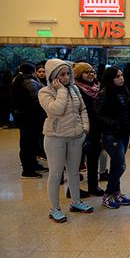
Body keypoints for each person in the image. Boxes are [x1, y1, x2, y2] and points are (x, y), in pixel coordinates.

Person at [39, 59, 94, 223]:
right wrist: (61, 90)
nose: (66, 77)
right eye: (61, 74)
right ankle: (54, 208)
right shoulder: (45, 92)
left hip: (76, 136)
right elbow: (56, 109)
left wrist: (85, 128)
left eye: (68, 73)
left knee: (74, 172)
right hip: (55, 138)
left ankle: (76, 202)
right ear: (53, 76)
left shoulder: (75, 89)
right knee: (56, 174)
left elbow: (82, 109)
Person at [96, 67, 130, 209]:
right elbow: (98, 114)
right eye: (117, 76)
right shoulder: (105, 93)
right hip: (111, 134)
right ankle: (108, 194)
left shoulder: (124, 91)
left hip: (123, 133)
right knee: (120, 166)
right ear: (110, 78)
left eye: (122, 75)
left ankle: (116, 193)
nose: (121, 78)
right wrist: (114, 124)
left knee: (116, 165)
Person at [11, 62, 48, 178]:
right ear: (33, 71)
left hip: (23, 116)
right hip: (30, 117)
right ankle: (28, 170)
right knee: (29, 144)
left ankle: (32, 165)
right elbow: (38, 99)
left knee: (27, 143)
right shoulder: (30, 82)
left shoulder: (17, 79)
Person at [73, 62, 103, 196]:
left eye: (92, 71)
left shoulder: (97, 87)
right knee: (75, 161)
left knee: (93, 158)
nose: (91, 74)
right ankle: (73, 189)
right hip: (80, 128)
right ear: (79, 75)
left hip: (96, 128)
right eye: (87, 72)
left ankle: (93, 186)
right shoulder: (75, 89)